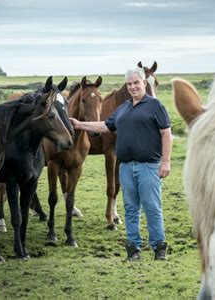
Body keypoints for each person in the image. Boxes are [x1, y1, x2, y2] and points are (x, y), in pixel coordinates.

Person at [70, 67, 173, 261]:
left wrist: (165, 161)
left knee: (152, 207)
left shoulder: (155, 106)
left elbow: (166, 133)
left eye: (136, 83)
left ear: (144, 83)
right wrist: (79, 124)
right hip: (126, 167)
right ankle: (133, 249)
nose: (133, 87)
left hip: (148, 166)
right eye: (129, 84)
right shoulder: (123, 108)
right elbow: (104, 126)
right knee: (131, 209)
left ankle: (159, 248)